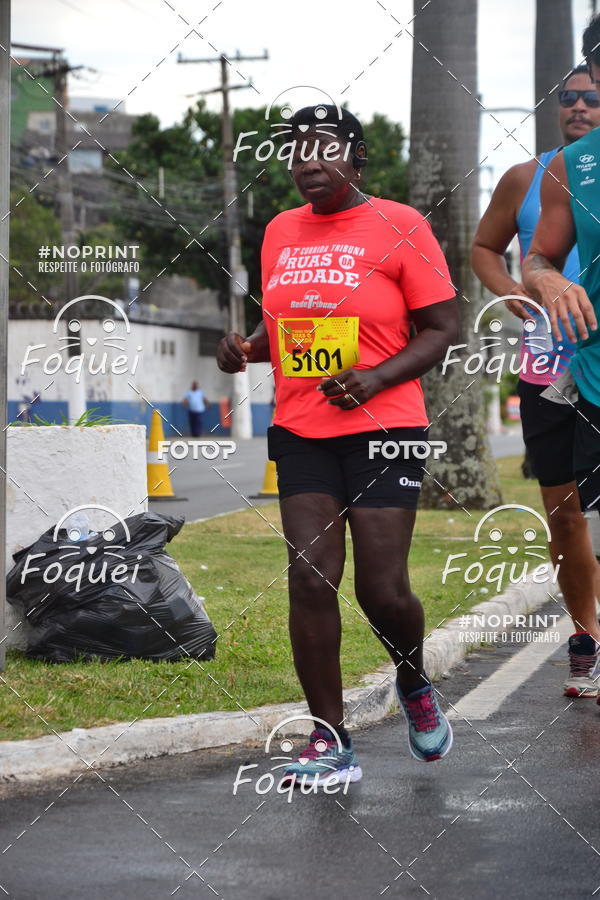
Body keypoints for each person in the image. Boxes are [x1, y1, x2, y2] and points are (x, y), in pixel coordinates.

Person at [217, 106, 458, 784]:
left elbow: (442, 328)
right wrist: (244, 349)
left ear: (356, 159)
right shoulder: (278, 232)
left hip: (385, 427)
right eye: (297, 153)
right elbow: (286, 330)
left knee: (382, 591)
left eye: (325, 150)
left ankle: (412, 681)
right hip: (302, 428)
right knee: (309, 572)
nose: (308, 163)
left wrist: (377, 376)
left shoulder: (400, 225)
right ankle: (331, 741)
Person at [472, 63, 600, 698]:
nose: (577, 107)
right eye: (567, 98)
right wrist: (514, 294)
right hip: (548, 370)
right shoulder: (535, 176)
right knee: (567, 517)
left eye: (591, 98)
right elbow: (483, 248)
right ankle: (586, 637)